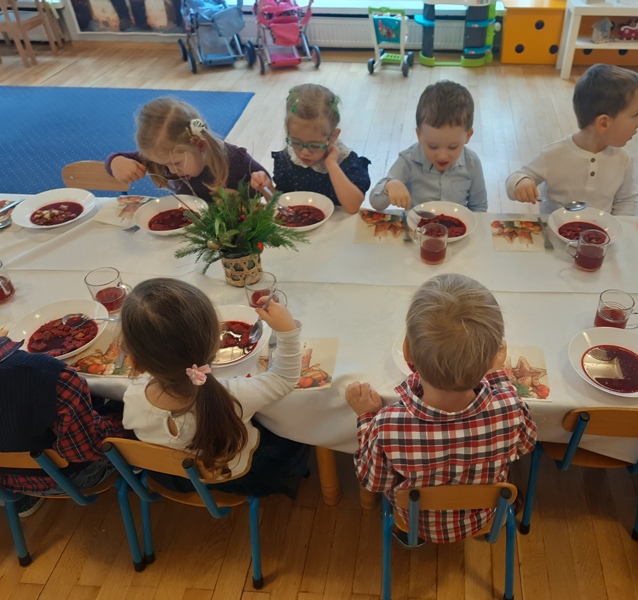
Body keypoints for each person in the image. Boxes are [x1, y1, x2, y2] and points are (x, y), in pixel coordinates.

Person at [345, 273, 537, 545]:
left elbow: (373, 481)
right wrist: (497, 376)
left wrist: (366, 416)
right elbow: (526, 445)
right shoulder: (510, 406)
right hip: (483, 517)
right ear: (493, 359)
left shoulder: (387, 424)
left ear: (407, 353)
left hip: (416, 522)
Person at [120, 278, 309, 498]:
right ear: (216, 342)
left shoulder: (133, 396)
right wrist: (288, 332)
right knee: (292, 426)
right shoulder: (234, 396)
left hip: (176, 476)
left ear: (135, 362)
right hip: (235, 474)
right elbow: (284, 378)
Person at [0, 334, 126, 518]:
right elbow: (84, 449)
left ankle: (22, 502)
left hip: (7, 483)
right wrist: (126, 419)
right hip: (68, 478)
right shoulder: (48, 374)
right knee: (132, 403)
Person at [505, 64, 638, 216]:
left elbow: (625, 200)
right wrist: (522, 182)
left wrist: (620, 224)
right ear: (604, 123)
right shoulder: (553, 155)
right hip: (552, 227)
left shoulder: (623, 160)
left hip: (599, 229)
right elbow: (516, 177)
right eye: (635, 115)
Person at [106, 97, 272, 203]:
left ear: (200, 146)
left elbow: (271, 196)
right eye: (164, 165)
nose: (171, 171)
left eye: (176, 163)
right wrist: (116, 162)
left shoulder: (236, 160)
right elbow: (116, 159)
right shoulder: (164, 156)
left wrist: (242, 197)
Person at [369, 80, 488, 213]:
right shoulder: (408, 161)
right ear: (419, 135)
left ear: (468, 136)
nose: (442, 156)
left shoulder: (472, 163)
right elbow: (375, 202)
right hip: (418, 224)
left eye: (453, 147)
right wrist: (389, 186)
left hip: (456, 224)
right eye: (433, 146)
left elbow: (479, 207)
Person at [271, 84, 371, 215]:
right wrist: (267, 187)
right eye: (296, 142)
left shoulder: (347, 162)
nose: (304, 152)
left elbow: (353, 207)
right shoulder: (288, 160)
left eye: (315, 145)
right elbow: (282, 205)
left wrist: (332, 164)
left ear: (333, 136)